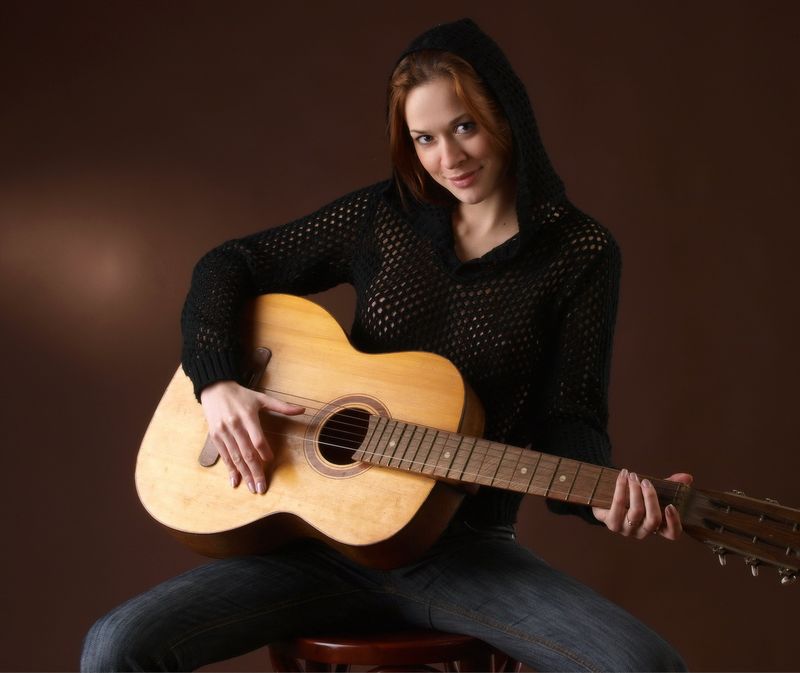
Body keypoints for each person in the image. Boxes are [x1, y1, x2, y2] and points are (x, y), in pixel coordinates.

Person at [82, 18, 692, 671]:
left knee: (642, 665)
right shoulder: (382, 218)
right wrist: (220, 383)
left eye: (465, 126)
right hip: (316, 549)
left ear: (507, 114)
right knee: (116, 644)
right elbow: (227, 266)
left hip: (464, 553)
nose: (447, 159)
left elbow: (571, 415)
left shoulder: (581, 253)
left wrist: (602, 498)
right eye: (423, 138)